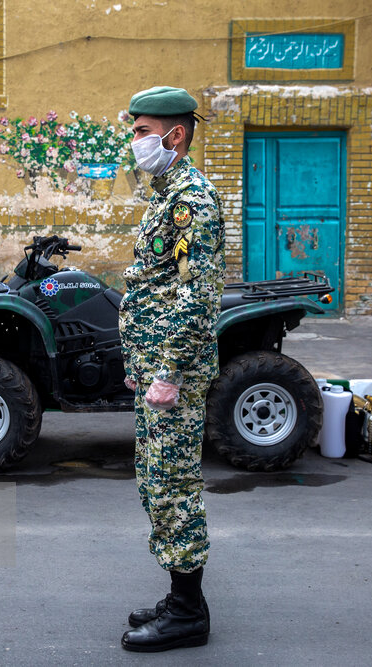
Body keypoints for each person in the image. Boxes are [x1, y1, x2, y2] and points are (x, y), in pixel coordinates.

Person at [117, 86, 225, 652]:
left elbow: (197, 295)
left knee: (173, 486)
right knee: (157, 483)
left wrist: (170, 370)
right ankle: (184, 596)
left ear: (174, 135)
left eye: (140, 131)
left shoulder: (192, 198)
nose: (133, 141)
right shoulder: (166, 194)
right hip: (158, 367)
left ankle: (188, 612)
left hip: (173, 375)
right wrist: (145, 362)